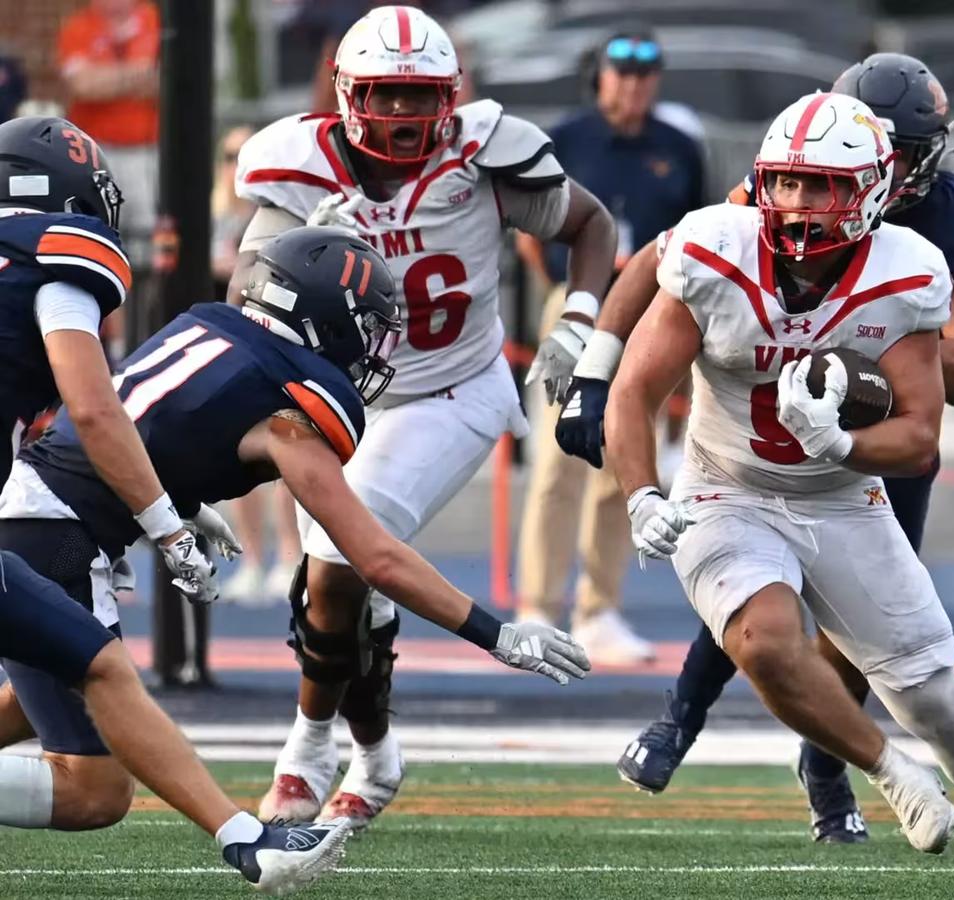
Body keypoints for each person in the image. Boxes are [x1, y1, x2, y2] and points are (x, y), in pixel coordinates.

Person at [605, 92, 954, 890]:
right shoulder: (715, 249)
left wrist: (840, 442)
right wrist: (641, 495)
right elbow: (636, 391)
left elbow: (921, 436)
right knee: (760, 638)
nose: (798, 204)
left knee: (934, 696)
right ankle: (889, 770)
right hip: (727, 486)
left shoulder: (904, 271)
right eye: (787, 183)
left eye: (822, 185)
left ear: (870, 189)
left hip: (840, 496)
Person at [1, 225, 590, 846]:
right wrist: (496, 634)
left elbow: (140, 422)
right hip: (58, 538)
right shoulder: (288, 407)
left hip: (31, 510)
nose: (371, 347)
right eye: (366, 326)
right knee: (95, 786)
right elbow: (374, 555)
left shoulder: (205, 329)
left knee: (49, 685)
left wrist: (177, 498)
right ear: (325, 319)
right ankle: (243, 841)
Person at [232, 5, 616, 829]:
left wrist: (579, 319)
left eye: (418, 97)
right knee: (339, 590)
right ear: (346, 93)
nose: (403, 117)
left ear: (450, 97)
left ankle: (306, 747)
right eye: (383, 95)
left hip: (450, 390)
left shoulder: (484, 158)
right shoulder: (300, 168)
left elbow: (592, 223)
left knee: (341, 556)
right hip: (338, 402)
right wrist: (291, 255)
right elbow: (241, 299)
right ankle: (374, 757)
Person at [0, 116, 347, 893]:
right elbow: (92, 407)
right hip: (38, 518)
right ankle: (249, 840)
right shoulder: (56, 259)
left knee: (89, 754)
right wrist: (163, 525)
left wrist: (167, 499)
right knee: (100, 671)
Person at [517, 26, 707, 663]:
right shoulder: (567, 139)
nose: (632, 84)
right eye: (621, 72)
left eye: (645, 73)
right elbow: (529, 226)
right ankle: (538, 608)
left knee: (623, 458)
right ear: (599, 77)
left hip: (652, 315)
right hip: (579, 304)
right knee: (556, 461)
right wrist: (562, 293)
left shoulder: (678, 147)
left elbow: (699, 232)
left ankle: (599, 607)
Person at [211, 125, 304, 606]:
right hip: (230, 348)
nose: (235, 168)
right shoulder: (217, 220)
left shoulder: (287, 211)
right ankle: (251, 557)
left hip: (278, 347)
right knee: (239, 457)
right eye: (228, 155)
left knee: (288, 454)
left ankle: (290, 554)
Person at [54, 0, 161, 253]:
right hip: (94, 153)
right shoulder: (80, 27)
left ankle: (149, 294)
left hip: (146, 150)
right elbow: (83, 86)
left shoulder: (153, 20)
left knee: (149, 238)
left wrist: (107, 77)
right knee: (99, 232)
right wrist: (136, 76)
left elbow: (162, 80)